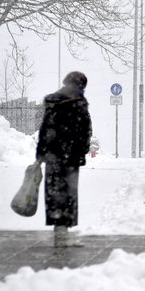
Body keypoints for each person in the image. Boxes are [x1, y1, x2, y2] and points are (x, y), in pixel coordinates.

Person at [35, 71, 92, 248]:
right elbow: (85, 129)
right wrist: (82, 149)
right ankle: (63, 230)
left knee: (54, 190)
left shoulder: (53, 101)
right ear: (81, 85)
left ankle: (58, 230)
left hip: (53, 155)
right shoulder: (79, 102)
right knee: (68, 192)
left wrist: (41, 152)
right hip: (71, 155)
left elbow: (45, 128)